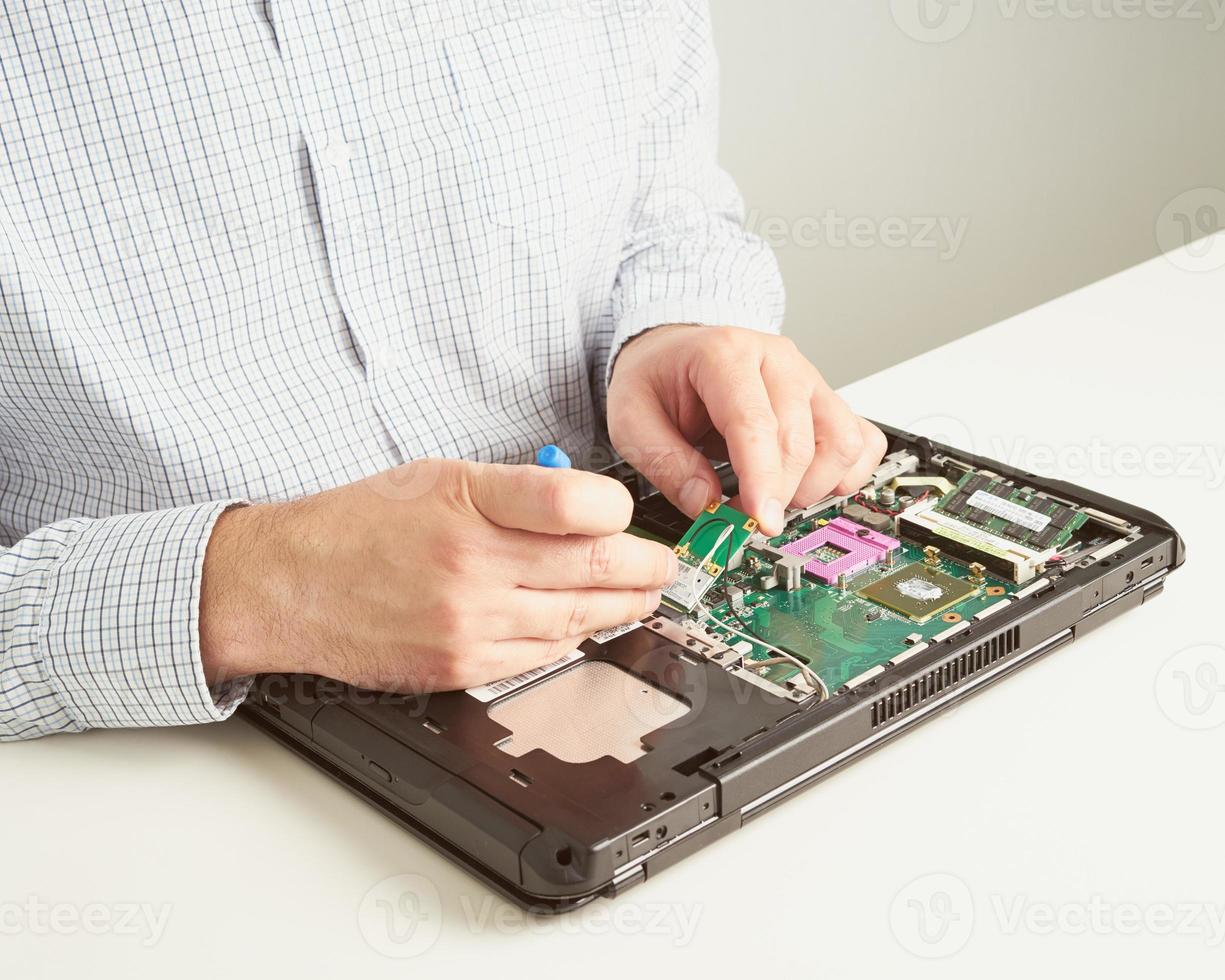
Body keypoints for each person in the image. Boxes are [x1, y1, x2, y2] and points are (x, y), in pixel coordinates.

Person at [0, 1, 885, 740]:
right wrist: (248, 588)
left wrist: (673, 323)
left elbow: (668, 209)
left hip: (629, 615)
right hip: (170, 764)